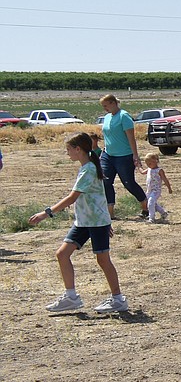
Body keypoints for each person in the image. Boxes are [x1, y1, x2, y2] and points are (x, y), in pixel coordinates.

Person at [29, 132, 129, 313]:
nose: (67, 153)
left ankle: (118, 300)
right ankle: (71, 297)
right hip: (84, 222)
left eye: (68, 149)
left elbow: (72, 198)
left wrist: (46, 213)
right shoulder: (86, 168)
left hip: (96, 223)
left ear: (78, 149)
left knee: (103, 261)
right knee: (62, 254)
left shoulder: (89, 169)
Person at [97, 94, 148, 220]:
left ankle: (146, 207)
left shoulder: (124, 116)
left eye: (106, 106)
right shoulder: (107, 117)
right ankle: (110, 213)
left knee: (128, 183)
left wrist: (135, 155)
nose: (105, 109)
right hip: (108, 155)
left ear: (113, 103)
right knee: (106, 182)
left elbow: (131, 138)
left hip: (124, 156)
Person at [142, 152, 172, 223]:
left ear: (156, 161)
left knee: (151, 202)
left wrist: (169, 188)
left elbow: (165, 179)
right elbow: (142, 172)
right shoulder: (149, 169)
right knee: (153, 204)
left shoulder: (159, 170)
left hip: (156, 190)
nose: (148, 165)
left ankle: (151, 218)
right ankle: (163, 213)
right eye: (147, 164)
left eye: (150, 163)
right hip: (149, 190)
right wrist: (138, 165)